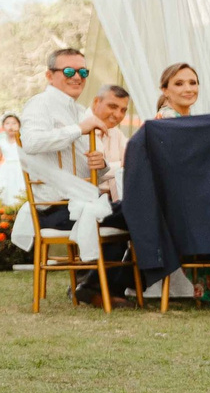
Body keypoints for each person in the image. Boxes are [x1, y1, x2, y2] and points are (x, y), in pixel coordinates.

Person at [19, 49, 138, 304]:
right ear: (49, 75)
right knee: (140, 211)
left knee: (143, 210)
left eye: (83, 71)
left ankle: (104, 285)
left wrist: (101, 164)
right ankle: (102, 286)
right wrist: (78, 129)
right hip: (54, 207)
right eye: (69, 71)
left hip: (81, 201)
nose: (77, 77)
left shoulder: (79, 111)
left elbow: (92, 169)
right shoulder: (40, 104)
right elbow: (30, 142)